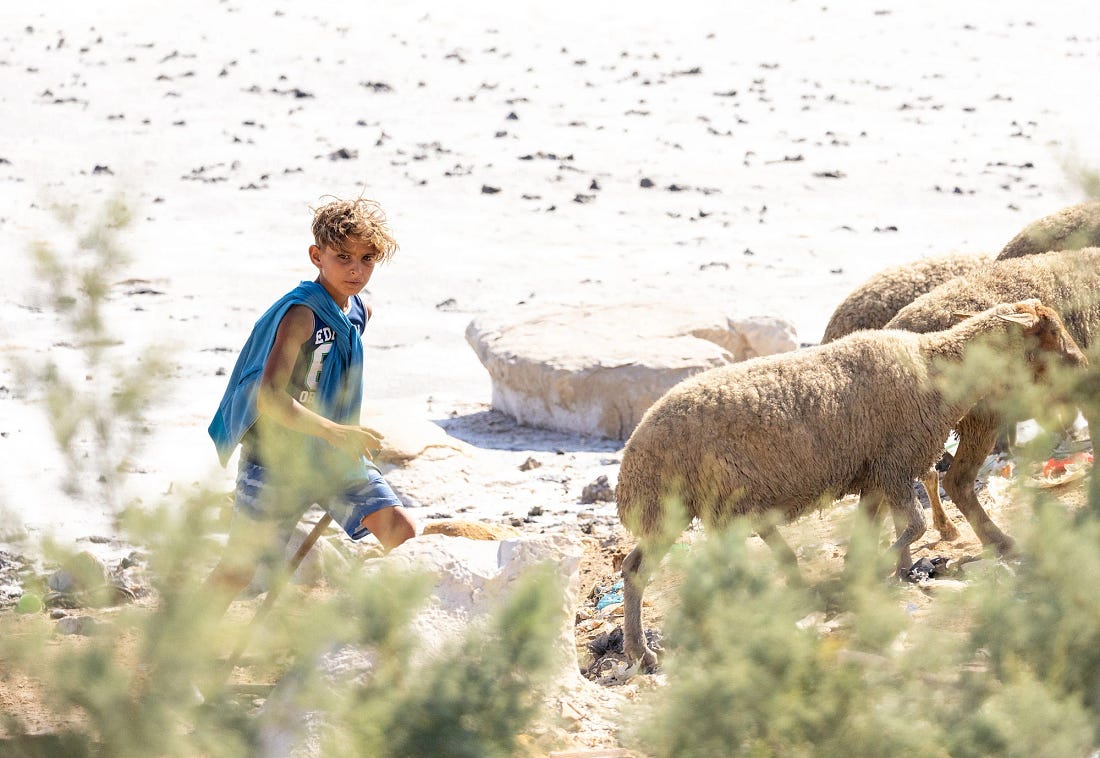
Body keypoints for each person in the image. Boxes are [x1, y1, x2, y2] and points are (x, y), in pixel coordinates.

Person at [204, 196, 416, 616]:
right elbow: (270, 397)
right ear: (316, 256)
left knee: (402, 533)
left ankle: (390, 641)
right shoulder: (301, 315)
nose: (356, 269)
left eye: (367, 259)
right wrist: (338, 432)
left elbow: (331, 373)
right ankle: (177, 652)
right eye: (343, 258)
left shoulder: (359, 311)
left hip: (332, 456)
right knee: (240, 570)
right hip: (277, 459)